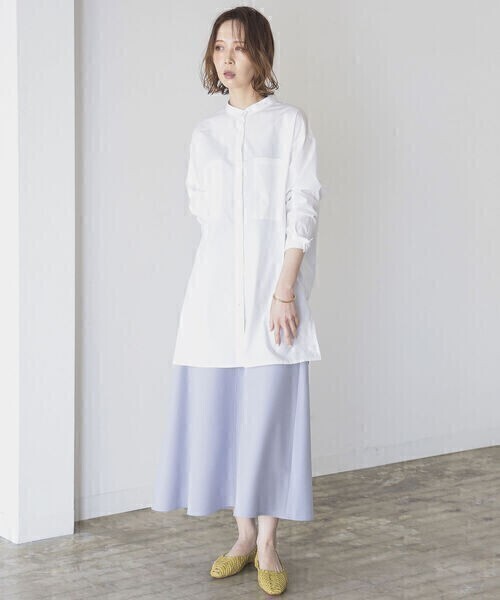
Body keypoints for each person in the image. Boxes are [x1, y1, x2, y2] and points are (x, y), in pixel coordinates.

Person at [151, 6, 322, 595]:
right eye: (219, 46)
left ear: (260, 55)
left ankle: (269, 543)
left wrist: (284, 289)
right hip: (213, 298)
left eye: (239, 47)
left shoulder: (290, 124)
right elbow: (206, 216)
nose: (227, 57)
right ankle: (243, 536)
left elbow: (303, 207)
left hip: (274, 297)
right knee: (225, 417)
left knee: (268, 419)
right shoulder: (205, 135)